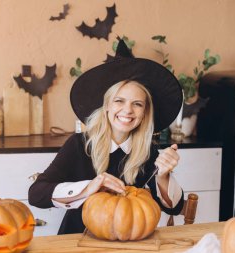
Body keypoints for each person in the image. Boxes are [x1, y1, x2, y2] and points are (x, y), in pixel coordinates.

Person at [28, 39, 184, 235]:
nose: (128, 110)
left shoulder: (147, 152)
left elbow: (174, 208)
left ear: (145, 112)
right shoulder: (80, 144)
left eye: (137, 104)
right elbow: (36, 194)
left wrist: (163, 176)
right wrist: (89, 187)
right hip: (76, 241)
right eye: (119, 101)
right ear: (107, 106)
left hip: (128, 244)